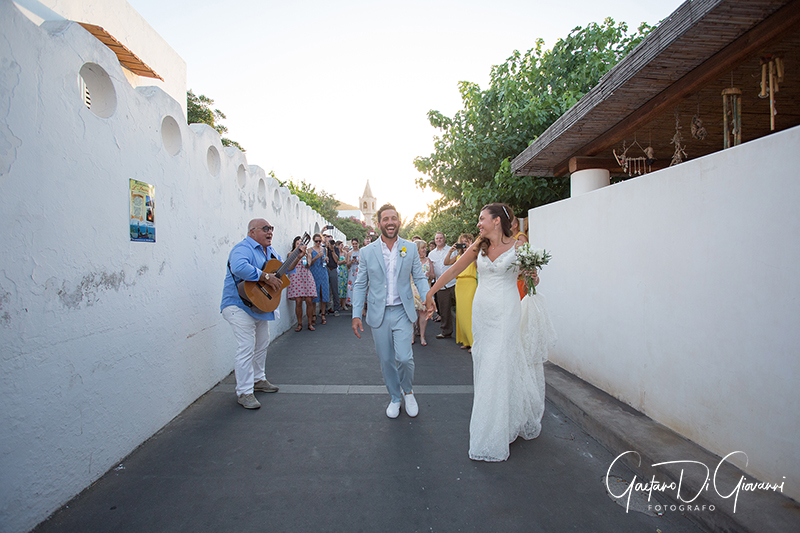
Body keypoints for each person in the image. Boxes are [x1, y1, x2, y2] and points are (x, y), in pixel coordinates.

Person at [425, 203, 555, 461]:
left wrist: (532, 276)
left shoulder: (519, 247)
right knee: (486, 364)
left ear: (497, 221)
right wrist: (430, 292)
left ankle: (494, 430)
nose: (478, 224)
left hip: (507, 312)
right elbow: (453, 269)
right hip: (482, 313)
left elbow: (533, 278)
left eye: (482, 219)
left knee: (498, 365)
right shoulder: (478, 246)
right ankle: (502, 419)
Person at [352, 204, 431, 419]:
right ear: (379, 224)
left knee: (404, 358)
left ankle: (408, 392)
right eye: (385, 219)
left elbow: (420, 277)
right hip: (378, 313)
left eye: (393, 218)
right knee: (386, 359)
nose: (390, 222)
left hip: (403, 311)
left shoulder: (410, 248)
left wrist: (427, 298)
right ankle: (395, 397)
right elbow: (360, 285)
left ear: (399, 222)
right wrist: (356, 314)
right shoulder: (367, 252)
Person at [221, 218, 305, 409]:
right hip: (238, 305)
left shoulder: (271, 251)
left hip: (259, 305)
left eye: (271, 229)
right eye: (265, 229)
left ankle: (259, 379)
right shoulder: (243, 248)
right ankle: (244, 392)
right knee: (246, 346)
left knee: (261, 343)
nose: (270, 232)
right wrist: (265, 276)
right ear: (252, 232)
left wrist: (297, 257)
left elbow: (283, 270)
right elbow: (239, 267)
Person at [444, 233, 477, 351]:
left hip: (470, 283)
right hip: (459, 284)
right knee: (461, 313)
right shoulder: (458, 256)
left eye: (467, 241)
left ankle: (474, 342)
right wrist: (450, 250)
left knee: (469, 313)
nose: (465, 244)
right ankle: (466, 340)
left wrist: (472, 248)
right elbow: (446, 262)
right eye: (463, 242)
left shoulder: (475, 255)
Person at [427, 232, 456, 339]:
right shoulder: (431, 254)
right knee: (444, 310)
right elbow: (431, 270)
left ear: (444, 239)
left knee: (461, 309)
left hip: (454, 283)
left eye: (440, 238)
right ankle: (446, 332)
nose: (439, 240)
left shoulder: (452, 250)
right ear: (435, 240)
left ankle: (465, 333)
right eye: (437, 238)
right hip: (441, 285)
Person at [287, 236, 317, 331]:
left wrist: (306, 256)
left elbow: (308, 264)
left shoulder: (307, 254)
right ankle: (299, 324)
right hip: (296, 277)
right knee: (298, 301)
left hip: (306, 276)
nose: (300, 245)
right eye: (298, 243)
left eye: (301, 243)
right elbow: (289, 265)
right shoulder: (290, 254)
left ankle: (309, 323)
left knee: (309, 300)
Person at [411, 239, 434, 346]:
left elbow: (434, 275)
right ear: (417, 250)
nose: (425, 249)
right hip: (413, 289)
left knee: (423, 312)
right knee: (412, 313)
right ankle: (412, 335)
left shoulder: (428, 260)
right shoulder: (411, 261)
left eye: (425, 247)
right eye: (423, 248)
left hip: (425, 288)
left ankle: (422, 336)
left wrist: (430, 275)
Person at [308, 233, 329, 325]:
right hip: (314, 272)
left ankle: (323, 314)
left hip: (323, 272)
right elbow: (309, 263)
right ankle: (313, 315)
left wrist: (326, 258)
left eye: (319, 241)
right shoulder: (310, 250)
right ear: (313, 241)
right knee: (314, 293)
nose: (318, 243)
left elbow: (326, 259)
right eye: (316, 241)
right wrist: (317, 257)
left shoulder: (324, 249)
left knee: (323, 292)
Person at [346, 238, 360, 307]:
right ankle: (351, 303)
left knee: (359, 288)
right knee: (351, 288)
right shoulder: (349, 253)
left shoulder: (361, 252)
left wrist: (358, 261)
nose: (354, 245)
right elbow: (347, 265)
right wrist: (351, 262)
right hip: (352, 272)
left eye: (356, 244)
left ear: (358, 244)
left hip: (359, 272)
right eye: (353, 244)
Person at [336, 240, 349, 308]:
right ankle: (338, 303)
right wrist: (341, 262)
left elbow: (346, 261)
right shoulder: (336, 253)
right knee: (338, 287)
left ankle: (343, 304)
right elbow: (336, 262)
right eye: (341, 245)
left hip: (344, 271)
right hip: (338, 271)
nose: (342, 246)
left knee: (344, 287)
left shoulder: (345, 253)